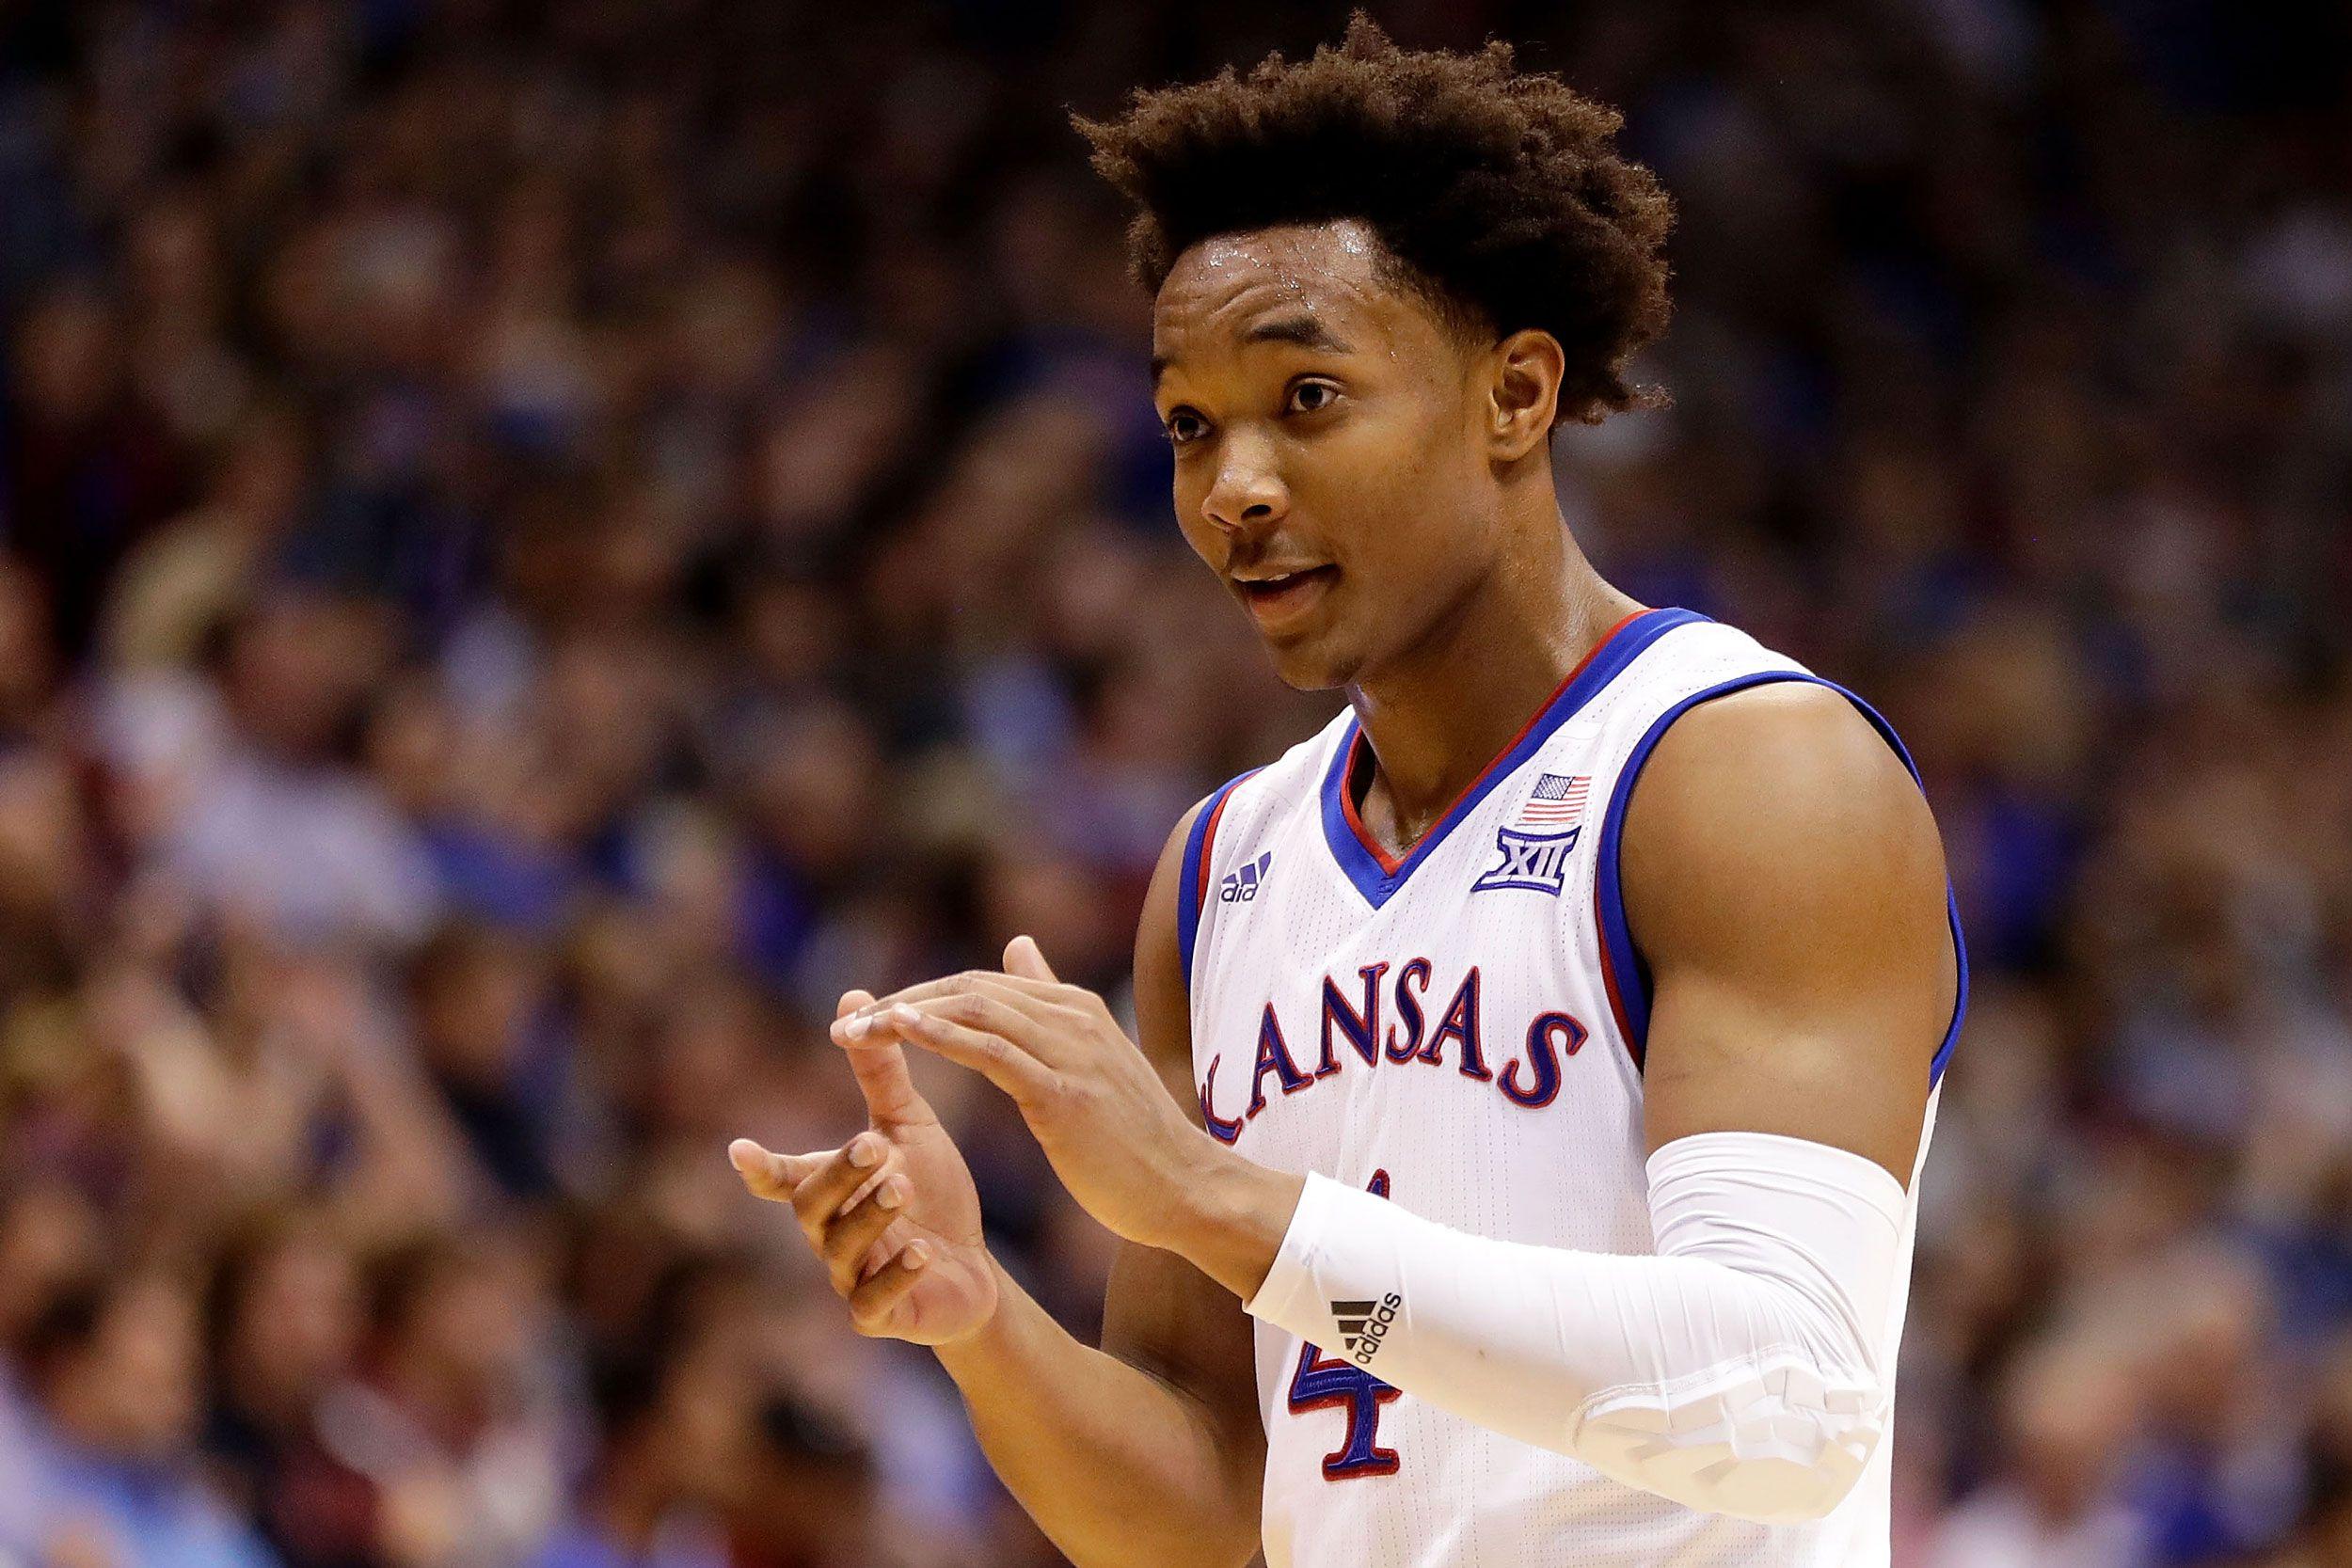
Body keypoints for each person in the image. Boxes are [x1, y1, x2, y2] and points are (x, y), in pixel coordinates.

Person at [731, 17, 1964, 1567]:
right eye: (1190, 427)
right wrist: (979, 1320)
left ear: (1516, 395)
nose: (1233, 487)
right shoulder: (1223, 868)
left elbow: (1788, 1407)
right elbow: (1203, 1514)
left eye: (1307, 397)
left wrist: (1211, 1199)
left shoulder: (1743, 772)